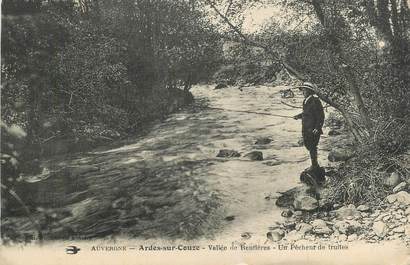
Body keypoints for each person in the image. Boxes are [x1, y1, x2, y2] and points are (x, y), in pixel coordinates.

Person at [293, 82, 325, 170]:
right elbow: (306, 113)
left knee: (312, 147)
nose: (302, 92)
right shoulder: (305, 101)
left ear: (309, 91)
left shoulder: (315, 101)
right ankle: (314, 164)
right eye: (302, 90)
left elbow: (321, 116)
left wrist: (317, 128)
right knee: (308, 146)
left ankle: (314, 165)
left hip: (313, 130)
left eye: (304, 90)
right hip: (306, 129)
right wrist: (298, 116)